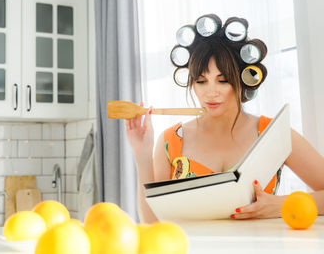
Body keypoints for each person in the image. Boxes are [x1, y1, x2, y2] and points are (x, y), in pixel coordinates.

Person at [125, 15, 324, 223]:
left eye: (223, 81)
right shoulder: (171, 141)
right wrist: (142, 154)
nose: (211, 92)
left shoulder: (273, 134)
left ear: (242, 80)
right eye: (201, 81)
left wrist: (280, 205)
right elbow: (152, 224)